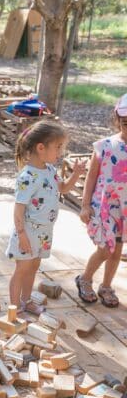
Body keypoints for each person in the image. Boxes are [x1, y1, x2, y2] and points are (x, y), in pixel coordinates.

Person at [4, 121, 85, 314]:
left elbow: (63, 188)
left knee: (33, 267)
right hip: (27, 232)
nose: (61, 152)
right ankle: (14, 310)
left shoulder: (49, 170)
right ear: (41, 147)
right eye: (58, 147)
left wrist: (76, 174)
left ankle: (26, 301)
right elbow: (18, 210)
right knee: (21, 270)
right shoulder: (27, 177)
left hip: (44, 232)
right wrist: (22, 234)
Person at [74, 102, 127, 307]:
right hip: (104, 207)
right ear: (117, 120)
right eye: (125, 122)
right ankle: (85, 278)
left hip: (124, 209)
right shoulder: (104, 145)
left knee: (117, 250)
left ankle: (106, 286)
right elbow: (91, 176)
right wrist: (85, 205)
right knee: (105, 249)